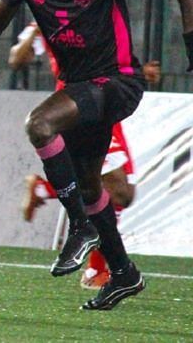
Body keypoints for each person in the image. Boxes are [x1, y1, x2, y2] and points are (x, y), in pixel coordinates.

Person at [0, 0, 193, 309]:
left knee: (39, 124)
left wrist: (190, 33)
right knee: (89, 184)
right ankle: (122, 273)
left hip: (118, 82)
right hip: (83, 88)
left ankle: (80, 226)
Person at [10, 19, 162, 290]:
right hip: (79, 105)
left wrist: (138, 73)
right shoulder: (50, 10)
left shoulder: (93, 3)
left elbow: (111, 55)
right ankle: (98, 270)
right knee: (115, 190)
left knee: (121, 193)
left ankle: (45, 190)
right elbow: (16, 58)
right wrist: (35, 29)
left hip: (108, 99)